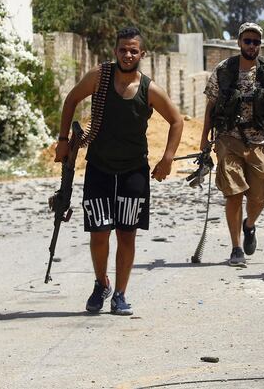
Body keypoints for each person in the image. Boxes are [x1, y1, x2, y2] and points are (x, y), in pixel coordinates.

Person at [55, 27, 183, 316]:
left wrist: (168, 158)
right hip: (99, 168)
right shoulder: (99, 77)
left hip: (133, 171)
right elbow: (72, 99)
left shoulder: (149, 89)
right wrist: (63, 141)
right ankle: (101, 283)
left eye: (133, 50)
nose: (128, 55)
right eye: (123, 49)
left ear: (142, 54)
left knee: (127, 234)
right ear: (116, 51)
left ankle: (121, 295)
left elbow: (176, 121)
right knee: (99, 233)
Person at [200, 22, 264, 267]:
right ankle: (236, 247)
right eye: (247, 41)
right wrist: (204, 140)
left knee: (259, 195)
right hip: (228, 139)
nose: (251, 45)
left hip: (259, 142)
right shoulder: (224, 70)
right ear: (239, 42)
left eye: (256, 42)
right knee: (234, 193)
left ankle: (249, 225)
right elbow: (211, 106)